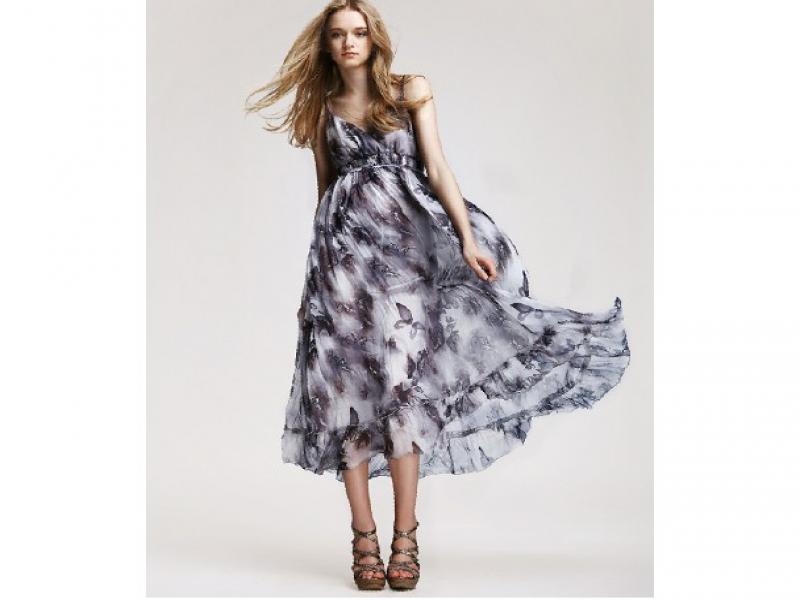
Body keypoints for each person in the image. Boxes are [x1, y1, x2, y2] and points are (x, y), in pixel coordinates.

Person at [244, 0, 631, 591]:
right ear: (326, 46)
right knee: (349, 402)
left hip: (406, 265)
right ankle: (364, 539)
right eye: (338, 35)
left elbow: (439, 169)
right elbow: (325, 195)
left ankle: (406, 537)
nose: (349, 43)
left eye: (359, 32)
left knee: (404, 396)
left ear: (374, 40)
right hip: (343, 271)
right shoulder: (323, 109)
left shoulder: (409, 91)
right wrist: (312, 284)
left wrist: (468, 240)